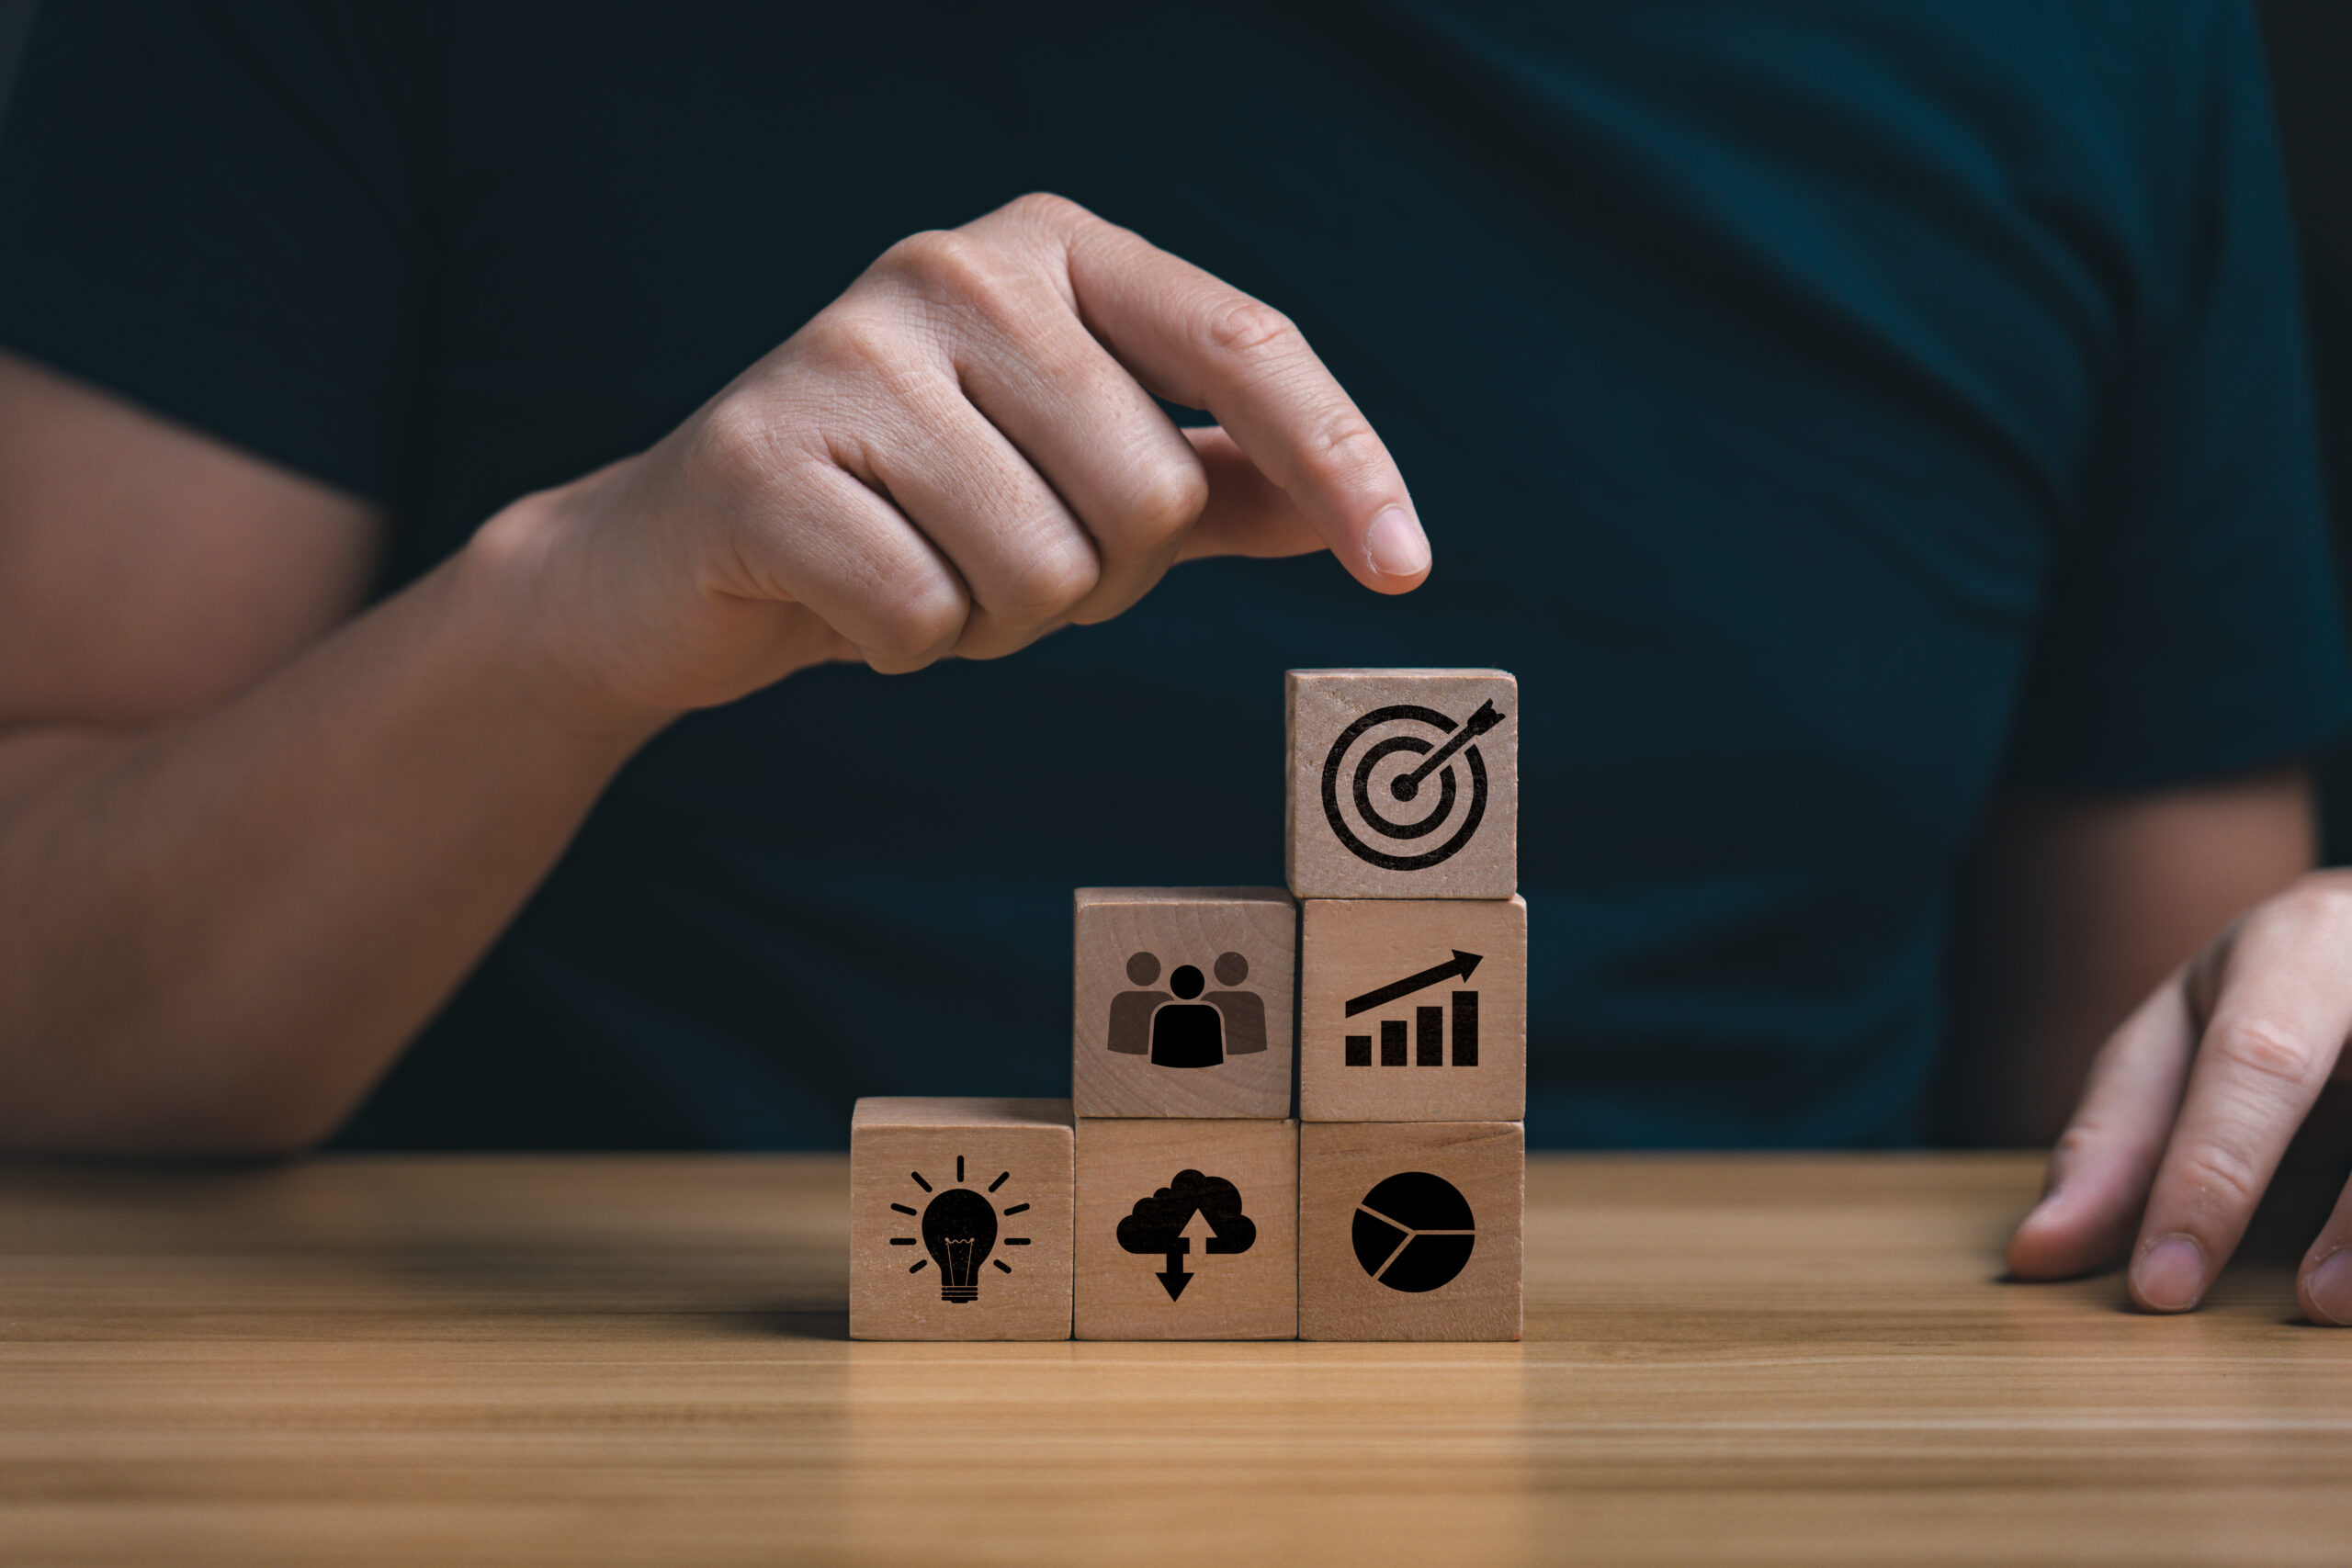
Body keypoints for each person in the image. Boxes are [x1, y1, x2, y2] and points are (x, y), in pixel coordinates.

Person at [0, 3, 2345, 1324]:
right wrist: (560, 607)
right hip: (590, 1423)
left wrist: (2296, 1046)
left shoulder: (2094, 53)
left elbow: (2126, 1121)